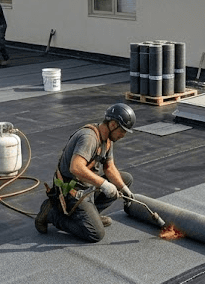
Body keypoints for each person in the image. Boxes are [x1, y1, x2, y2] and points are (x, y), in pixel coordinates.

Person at [35, 103, 136, 242]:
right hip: (71, 191)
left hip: (86, 186)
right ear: (113, 124)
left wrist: (123, 189)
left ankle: (89, 215)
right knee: (96, 233)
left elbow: (109, 167)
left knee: (126, 179)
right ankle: (52, 214)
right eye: (123, 131)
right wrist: (104, 184)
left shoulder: (107, 139)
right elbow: (76, 168)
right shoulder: (89, 138)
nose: (123, 135)